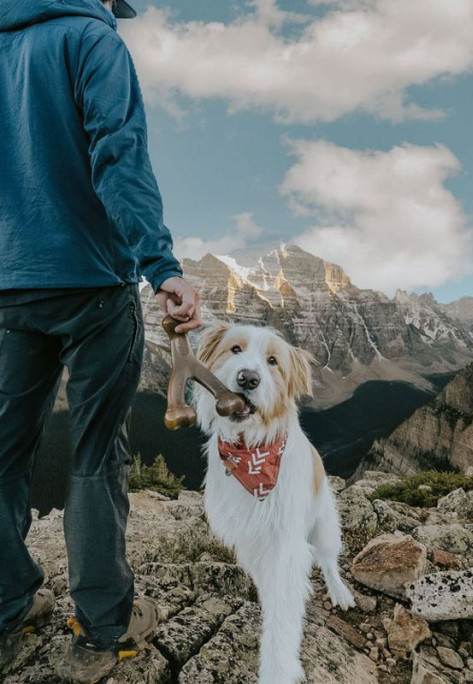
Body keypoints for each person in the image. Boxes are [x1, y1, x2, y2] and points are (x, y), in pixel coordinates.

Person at [0, 0, 202, 680]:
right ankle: (103, 625)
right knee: (92, 456)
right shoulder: (92, 41)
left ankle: (5, 605)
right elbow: (118, 154)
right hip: (91, 283)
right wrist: (162, 268)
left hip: (6, 287)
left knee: (1, 454)